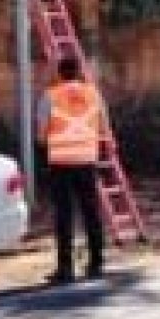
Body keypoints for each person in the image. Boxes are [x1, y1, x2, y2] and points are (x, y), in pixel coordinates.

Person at [37, 56, 106, 284]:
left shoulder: (50, 96)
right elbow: (103, 126)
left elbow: (41, 133)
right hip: (87, 161)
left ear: (59, 73)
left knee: (64, 217)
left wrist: (45, 147)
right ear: (79, 72)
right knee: (92, 213)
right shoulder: (94, 94)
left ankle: (65, 269)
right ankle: (96, 263)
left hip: (61, 163)